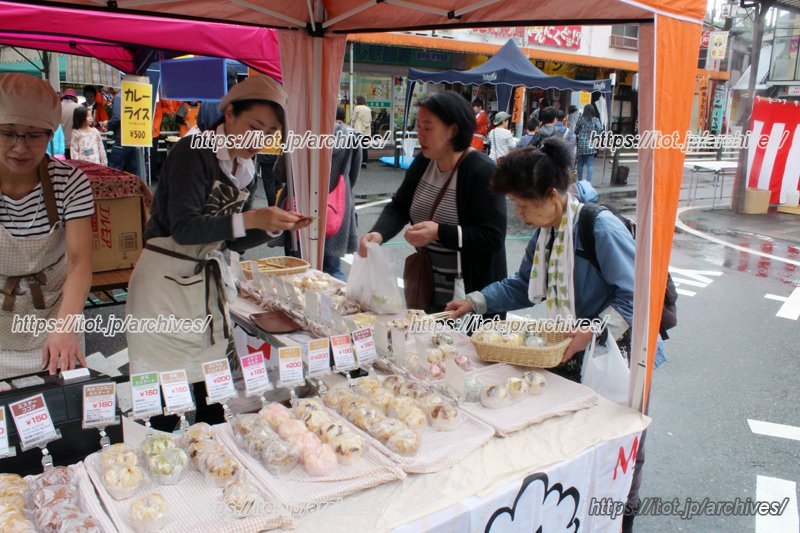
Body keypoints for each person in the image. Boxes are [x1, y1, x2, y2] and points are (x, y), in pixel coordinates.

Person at [446, 138, 662, 533]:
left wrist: (592, 330)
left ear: (552, 195)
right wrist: (476, 301)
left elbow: (639, 296)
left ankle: (619, 517)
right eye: (516, 206)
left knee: (619, 442)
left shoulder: (599, 227)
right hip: (575, 347)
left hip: (619, 352)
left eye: (525, 206)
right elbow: (524, 284)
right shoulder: (546, 232)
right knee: (574, 442)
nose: (521, 215)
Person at [126, 75, 312, 425]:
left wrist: (270, 226)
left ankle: (215, 459)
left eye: (270, 133)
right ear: (228, 115)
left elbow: (229, 239)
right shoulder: (193, 152)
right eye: (254, 126)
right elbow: (184, 229)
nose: (261, 139)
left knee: (211, 388)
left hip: (204, 288)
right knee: (169, 391)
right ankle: (163, 464)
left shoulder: (247, 166)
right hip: (165, 286)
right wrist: (253, 217)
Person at [359, 91, 507, 312]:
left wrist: (438, 232)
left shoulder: (481, 171)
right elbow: (399, 206)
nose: (420, 135)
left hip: (469, 297)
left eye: (427, 128)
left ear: (453, 130)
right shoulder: (423, 162)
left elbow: (492, 237)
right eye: (418, 127)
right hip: (428, 287)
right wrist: (378, 234)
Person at [0, 73, 95, 379]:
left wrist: (65, 327)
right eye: (7, 133)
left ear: (50, 132)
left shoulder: (70, 182)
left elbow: (80, 261)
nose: (20, 148)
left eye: (33, 135)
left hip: (57, 319)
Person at [323, 107, 362, 280]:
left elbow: (281, 173)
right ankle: (339, 305)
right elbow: (353, 177)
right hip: (337, 207)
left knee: (301, 271)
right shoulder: (352, 137)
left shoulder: (301, 134)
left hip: (301, 208)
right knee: (333, 270)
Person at [106, 91, 142, 178]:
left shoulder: (119, 96)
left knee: (115, 170)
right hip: (136, 137)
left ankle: (115, 190)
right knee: (133, 171)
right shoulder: (138, 93)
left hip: (121, 138)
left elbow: (117, 118)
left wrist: (108, 124)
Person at [574, 104, 604, 182]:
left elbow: (576, 130)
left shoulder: (581, 119)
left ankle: (579, 181)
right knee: (590, 164)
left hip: (581, 144)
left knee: (580, 164)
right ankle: (588, 182)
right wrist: (594, 134)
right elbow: (600, 130)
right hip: (591, 143)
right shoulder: (595, 120)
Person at [351, 96, 372, 167]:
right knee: (364, 146)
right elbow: (370, 119)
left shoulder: (357, 108)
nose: (355, 101)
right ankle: (364, 161)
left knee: (357, 146)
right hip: (366, 130)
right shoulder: (368, 109)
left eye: (355, 100)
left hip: (359, 130)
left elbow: (353, 118)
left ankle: (358, 161)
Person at [60, 89, 81, 159]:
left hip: (59, 146)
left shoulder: (57, 106)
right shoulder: (79, 107)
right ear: (75, 98)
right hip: (75, 144)